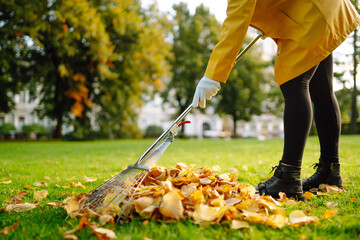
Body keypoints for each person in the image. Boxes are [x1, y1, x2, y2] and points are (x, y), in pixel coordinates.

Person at [191, 0, 360, 201]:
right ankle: (330, 172)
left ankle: (289, 176)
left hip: (312, 15)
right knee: (322, 89)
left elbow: (236, 18)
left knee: (294, 83)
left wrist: (213, 74)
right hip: (324, 8)